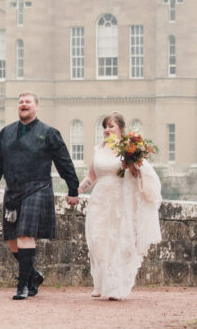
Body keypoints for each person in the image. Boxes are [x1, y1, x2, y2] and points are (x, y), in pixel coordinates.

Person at [0, 92, 80, 300]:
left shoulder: (49, 132)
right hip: (12, 190)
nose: (23, 104)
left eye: (28, 102)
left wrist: (72, 189)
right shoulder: (6, 132)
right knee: (12, 240)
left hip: (37, 188)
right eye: (20, 102)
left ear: (37, 107)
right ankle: (33, 275)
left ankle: (22, 286)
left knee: (24, 234)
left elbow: (63, 161)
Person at [78, 111, 163, 300]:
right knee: (97, 241)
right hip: (100, 199)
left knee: (117, 242)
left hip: (119, 199)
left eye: (111, 126)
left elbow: (136, 173)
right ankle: (100, 283)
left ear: (120, 129)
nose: (107, 130)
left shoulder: (128, 149)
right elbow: (91, 177)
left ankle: (115, 287)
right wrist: (77, 191)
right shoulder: (98, 150)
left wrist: (130, 166)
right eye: (105, 127)